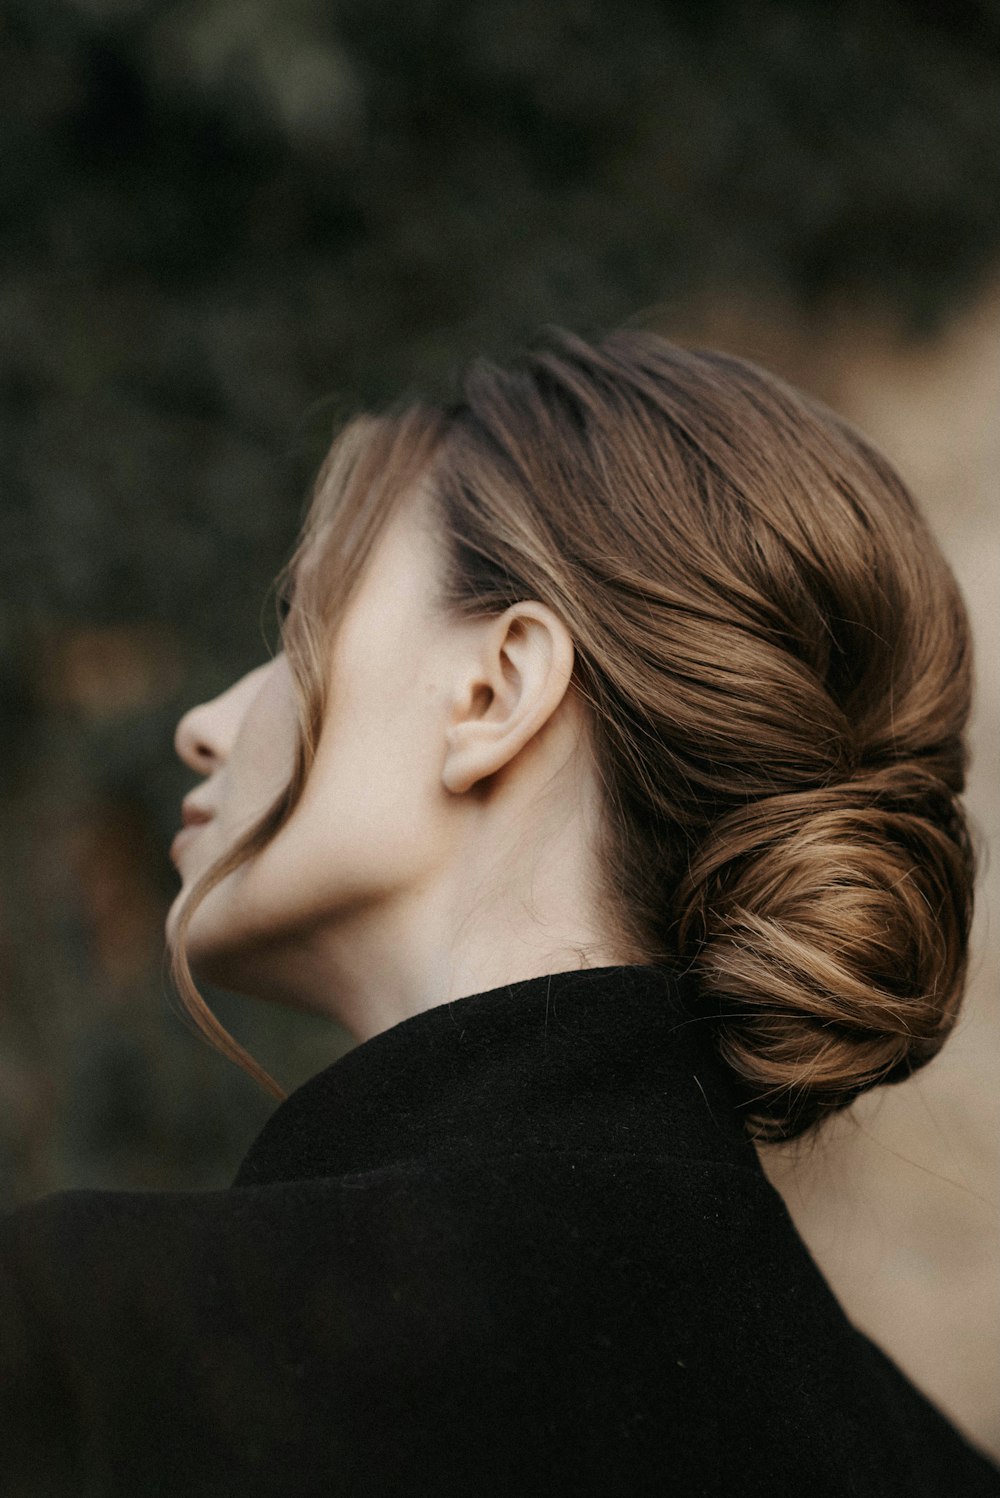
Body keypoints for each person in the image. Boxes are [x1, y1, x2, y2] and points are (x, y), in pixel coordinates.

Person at [2, 327, 998, 1496]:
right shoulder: (926, 1463)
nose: (207, 721)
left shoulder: (96, 1355)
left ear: (495, 690)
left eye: (299, 624)